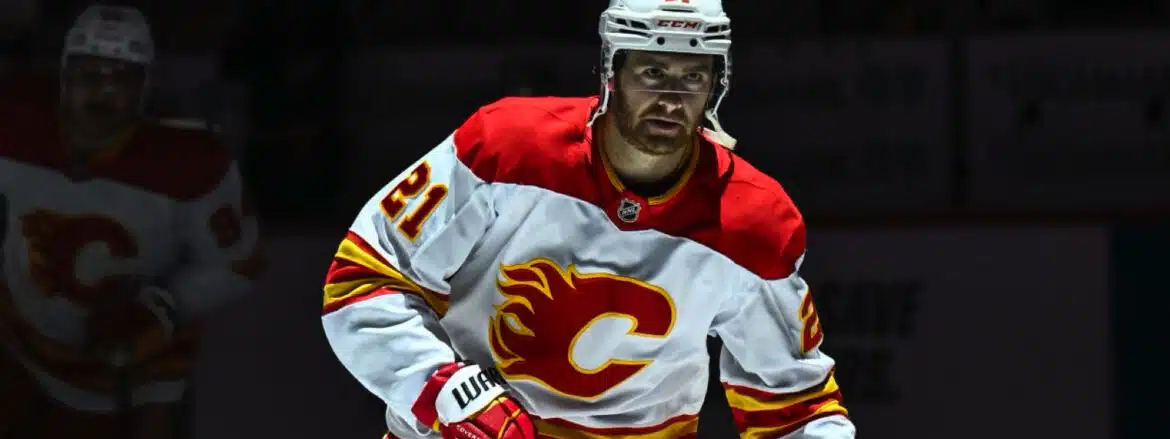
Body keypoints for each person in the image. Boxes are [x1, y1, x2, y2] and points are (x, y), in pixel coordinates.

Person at [321, 0, 856, 438]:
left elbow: (795, 407)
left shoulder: (753, 219)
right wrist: (443, 389)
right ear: (611, 72)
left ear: (717, 84)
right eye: (652, 71)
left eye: (692, 76)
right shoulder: (501, 149)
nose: (671, 99)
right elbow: (362, 282)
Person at [0, 5, 263, 438]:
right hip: (22, 343)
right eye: (89, 74)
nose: (102, 92)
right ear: (65, 76)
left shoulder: (189, 162)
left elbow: (240, 262)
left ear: (142, 86)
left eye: (119, 77)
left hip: (135, 369)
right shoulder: (18, 122)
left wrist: (160, 308)